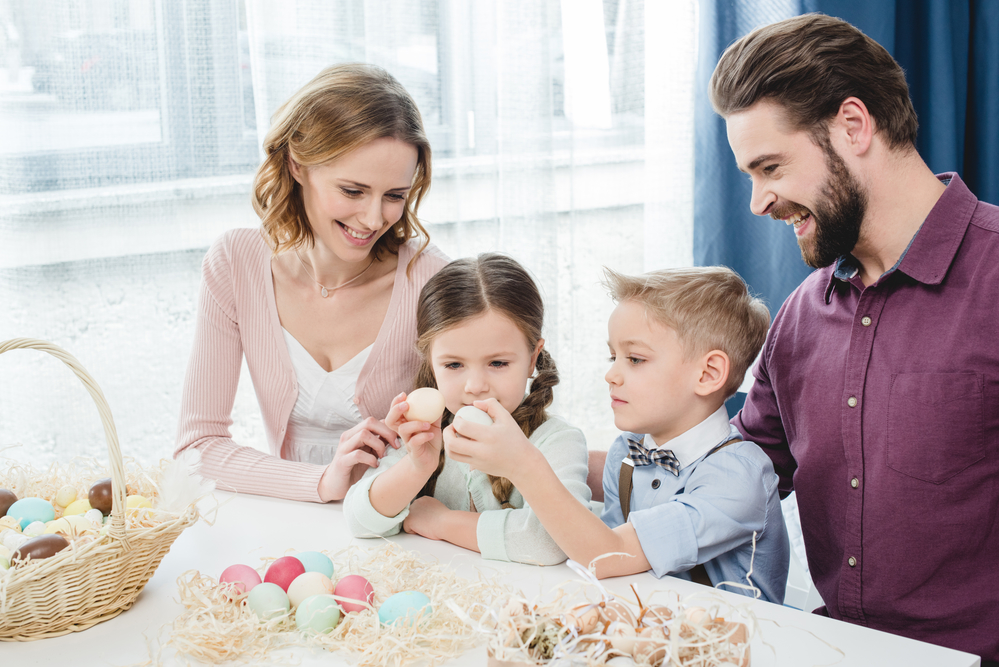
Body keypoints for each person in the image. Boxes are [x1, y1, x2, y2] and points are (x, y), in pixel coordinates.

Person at [710, 13, 999, 662]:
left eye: (770, 166)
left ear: (851, 125)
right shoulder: (798, 318)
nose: (757, 201)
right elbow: (733, 479)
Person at [174, 64, 449, 503]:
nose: (374, 218)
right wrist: (321, 482)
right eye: (353, 191)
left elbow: (476, 430)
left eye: (395, 196)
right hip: (289, 518)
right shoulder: (236, 263)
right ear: (297, 165)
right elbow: (197, 448)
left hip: (404, 527)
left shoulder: (429, 278)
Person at [446, 266, 789, 603]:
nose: (611, 374)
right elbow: (605, 564)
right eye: (613, 356)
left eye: (635, 359)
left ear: (708, 373)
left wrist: (523, 465)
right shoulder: (627, 452)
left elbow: (606, 556)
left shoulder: (736, 477)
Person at [343, 254, 590, 566]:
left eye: (498, 363)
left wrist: (442, 523)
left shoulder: (556, 442)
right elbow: (358, 521)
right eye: (454, 364)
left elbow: (552, 542)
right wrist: (417, 467)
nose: (475, 385)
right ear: (431, 363)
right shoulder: (424, 433)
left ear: (532, 358)